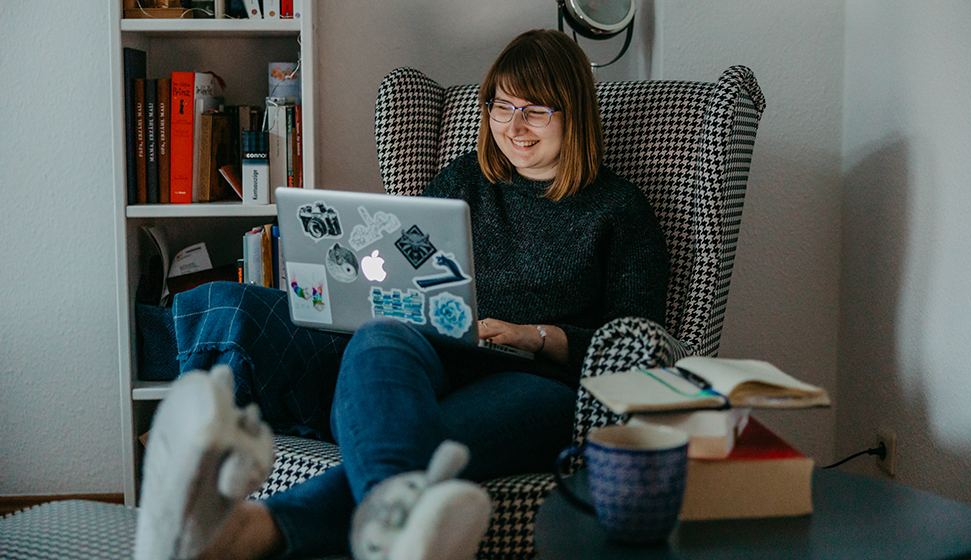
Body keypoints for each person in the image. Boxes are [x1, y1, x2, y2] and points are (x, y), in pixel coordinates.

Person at [149, 28, 669, 560]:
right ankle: (396, 536)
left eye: (535, 111)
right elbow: (397, 267)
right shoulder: (465, 180)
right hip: (427, 352)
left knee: (407, 444)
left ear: (574, 114)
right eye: (501, 105)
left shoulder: (618, 210)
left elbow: (638, 343)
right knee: (374, 335)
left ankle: (258, 531)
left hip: (534, 381)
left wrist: (536, 337)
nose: (514, 126)